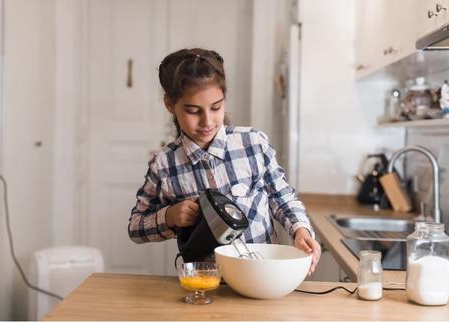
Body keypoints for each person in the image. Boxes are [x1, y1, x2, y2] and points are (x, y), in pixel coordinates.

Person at [128, 48, 321, 274]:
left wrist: (301, 230)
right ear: (170, 104)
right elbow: (135, 227)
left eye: (216, 107)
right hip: (205, 284)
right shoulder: (164, 166)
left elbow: (282, 197)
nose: (207, 121)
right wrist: (169, 216)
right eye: (193, 111)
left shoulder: (253, 144)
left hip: (262, 276)